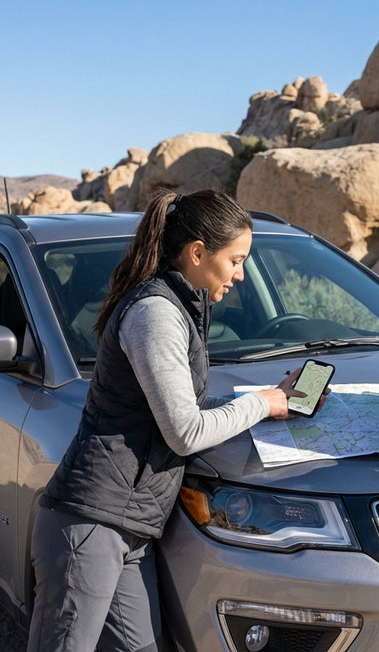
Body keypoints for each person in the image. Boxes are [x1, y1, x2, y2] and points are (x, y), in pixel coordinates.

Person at [28, 189, 307, 652]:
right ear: (198, 253)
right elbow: (185, 431)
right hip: (90, 523)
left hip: (129, 527)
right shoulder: (155, 313)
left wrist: (274, 396)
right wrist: (262, 404)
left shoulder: (181, 306)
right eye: (236, 260)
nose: (241, 274)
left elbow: (175, 402)